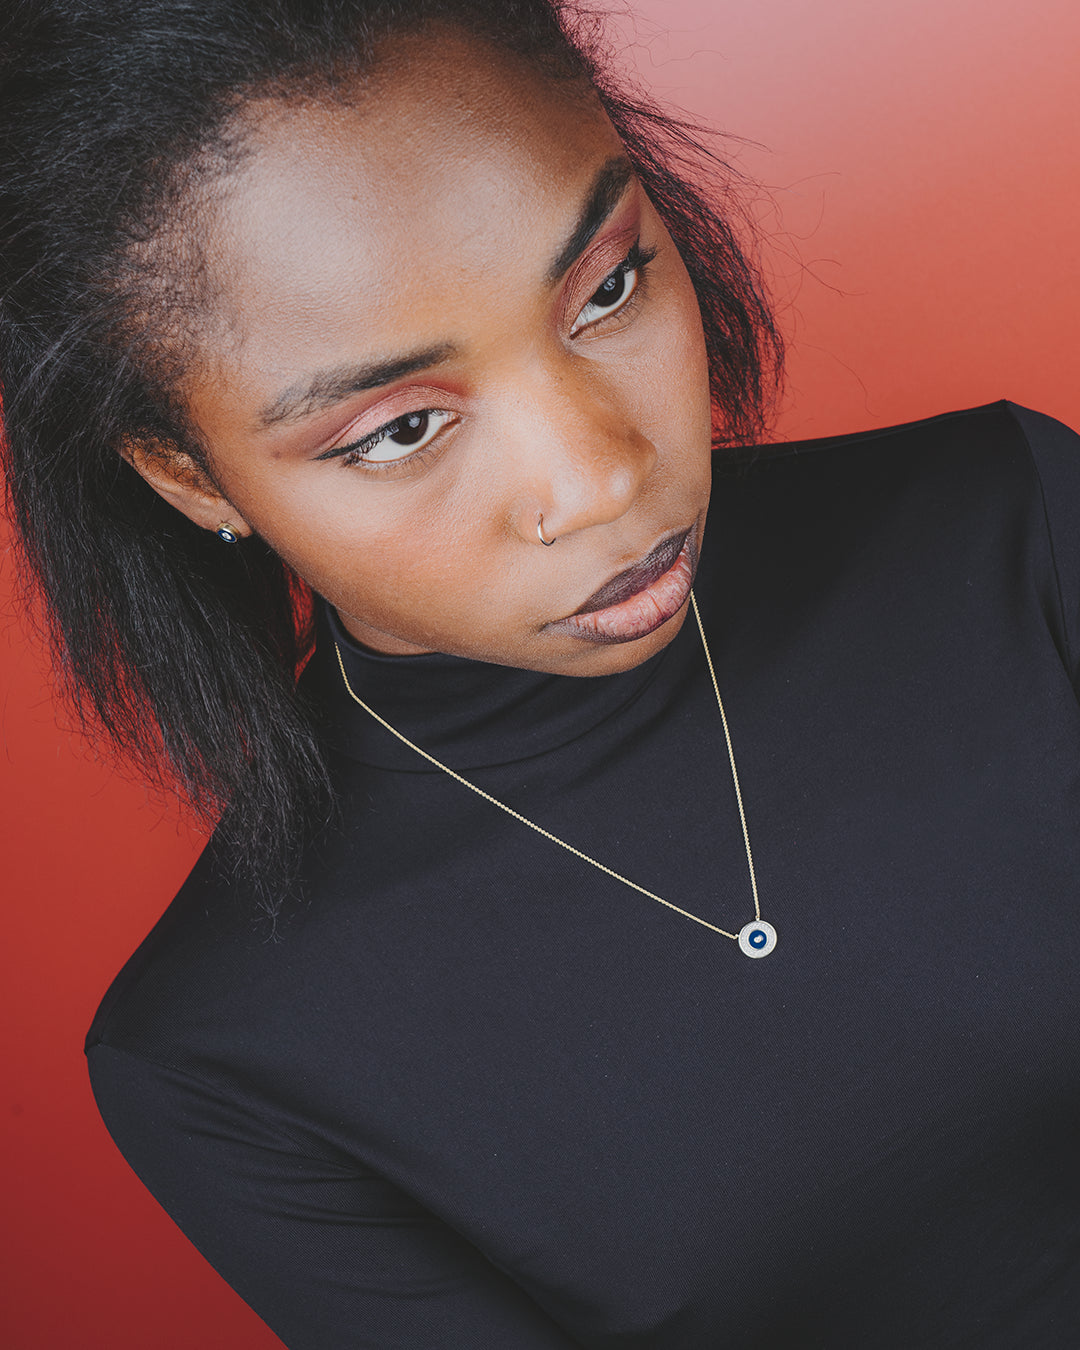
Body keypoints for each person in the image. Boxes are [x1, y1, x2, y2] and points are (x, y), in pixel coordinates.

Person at [2, 0, 1079, 1346]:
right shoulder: (228, 1059)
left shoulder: (1010, 516)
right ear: (186, 474)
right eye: (400, 428)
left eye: (609, 287)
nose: (602, 476)